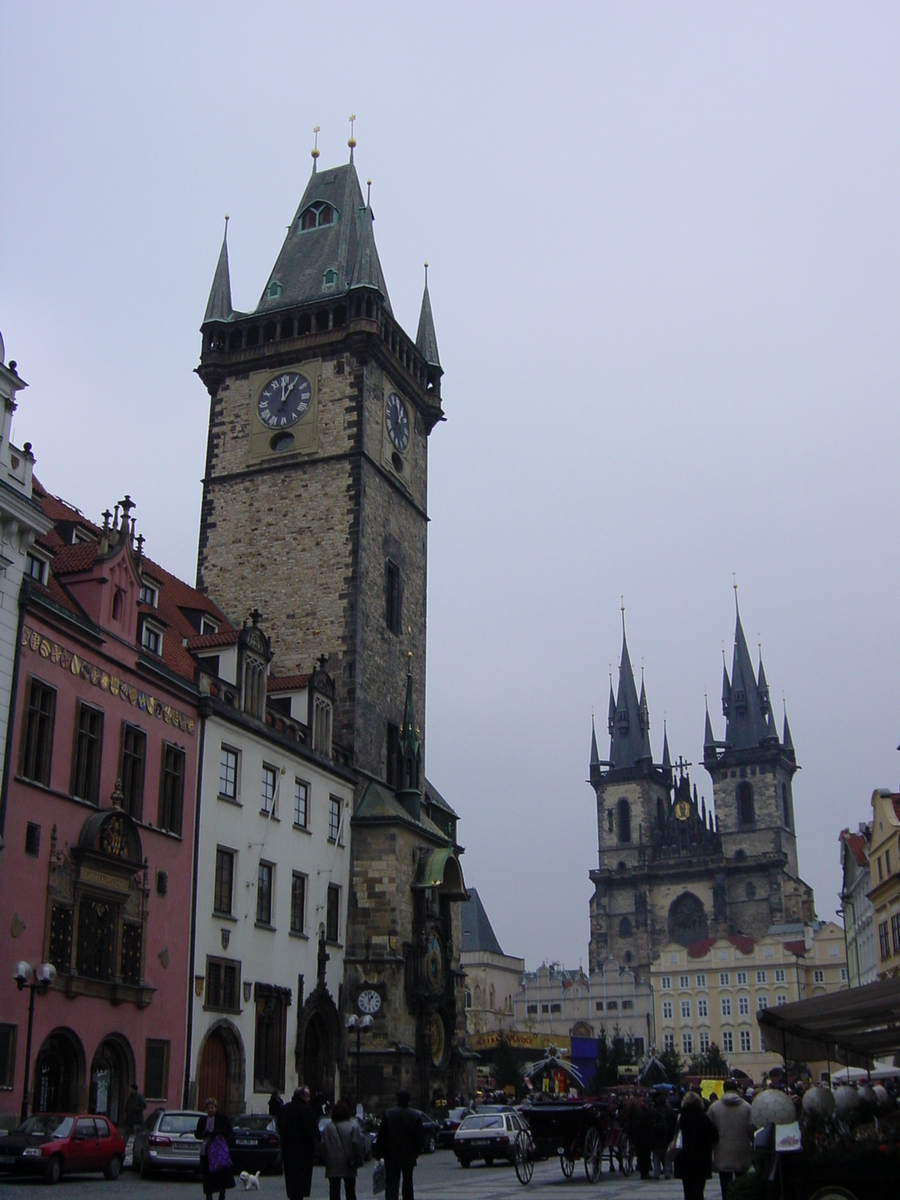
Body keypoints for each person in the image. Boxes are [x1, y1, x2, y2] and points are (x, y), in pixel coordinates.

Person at [708, 1080, 754, 1199]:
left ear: (724, 1089)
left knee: (725, 1185)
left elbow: (709, 1129)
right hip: (742, 1150)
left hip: (722, 1150)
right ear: (737, 1089)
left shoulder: (714, 1107)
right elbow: (752, 1130)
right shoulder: (747, 1107)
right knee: (741, 1184)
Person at [375, 1089, 423, 1200]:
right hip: (408, 1153)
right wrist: (416, 1152)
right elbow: (419, 1138)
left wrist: (378, 1153)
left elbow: (382, 1136)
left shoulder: (388, 1114)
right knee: (408, 1181)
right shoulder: (415, 1116)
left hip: (391, 1153)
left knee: (392, 1183)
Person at [676, 1090, 718, 1200]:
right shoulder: (703, 1118)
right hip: (701, 1158)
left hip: (685, 1158)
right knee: (698, 1190)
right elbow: (713, 1136)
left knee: (688, 1189)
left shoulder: (681, 1118)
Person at [277, 1086, 318, 1200]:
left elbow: (279, 1125)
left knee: (291, 1182)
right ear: (302, 1097)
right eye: (307, 1097)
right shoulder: (306, 1111)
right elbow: (312, 1132)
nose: (309, 1099)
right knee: (300, 1183)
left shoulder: (286, 1109)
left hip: (288, 1151)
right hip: (303, 1154)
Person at [321, 1099, 365, 1200]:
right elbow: (357, 1144)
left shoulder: (328, 1127)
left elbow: (323, 1145)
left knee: (334, 1190)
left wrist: (325, 1158)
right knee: (350, 1190)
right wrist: (359, 1157)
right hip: (349, 1161)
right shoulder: (353, 1126)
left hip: (333, 1162)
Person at [194, 1098, 235, 1200]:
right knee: (207, 1175)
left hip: (219, 1151)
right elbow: (197, 1134)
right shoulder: (203, 1120)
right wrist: (204, 1134)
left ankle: (222, 1192)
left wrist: (218, 1133)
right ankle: (209, 1195)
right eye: (208, 1108)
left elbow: (229, 1131)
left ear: (216, 1108)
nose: (210, 1110)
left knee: (220, 1173)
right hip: (206, 1151)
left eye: (212, 1108)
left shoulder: (223, 1118)